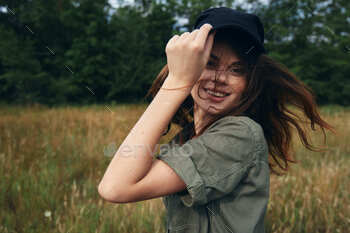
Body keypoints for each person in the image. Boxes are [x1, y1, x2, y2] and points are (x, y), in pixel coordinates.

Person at [98, 7, 334, 233]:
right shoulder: (187, 138)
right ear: (192, 66)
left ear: (249, 83)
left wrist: (177, 81)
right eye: (209, 63)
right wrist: (178, 77)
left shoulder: (239, 134)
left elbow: (115, 188)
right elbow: (131, 173)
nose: (220, 78)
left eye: (236, 69)